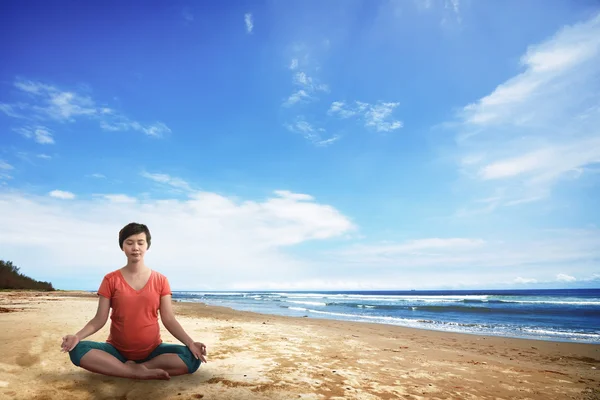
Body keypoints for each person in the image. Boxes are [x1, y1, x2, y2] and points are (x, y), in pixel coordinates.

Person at [61, 222, 207, 380]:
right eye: (129, 243)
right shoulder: (110, 279)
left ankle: (138, 368)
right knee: (78, 350)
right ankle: (133, 371)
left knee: (192, 357)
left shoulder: (161, 280)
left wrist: (191, 343)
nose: (135, 247)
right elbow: (99, 319)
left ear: (147, 246)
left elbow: (169, 319)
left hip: (153, 352)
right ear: (122, 247)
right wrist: (77, 336)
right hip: (116, 352)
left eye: (140, 242)